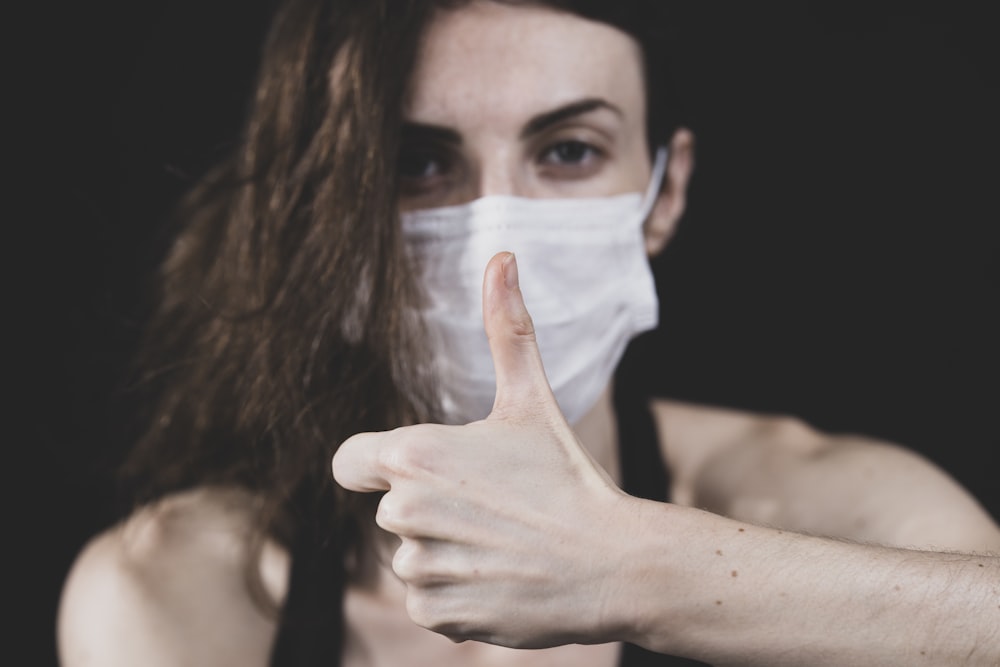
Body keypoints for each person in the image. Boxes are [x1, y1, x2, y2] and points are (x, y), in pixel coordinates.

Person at [56, 1, 1000, 665]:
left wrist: (645, 571)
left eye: (568, 151)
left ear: (662, 192)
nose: (495, 230)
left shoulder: (824, 508)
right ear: (318, 207)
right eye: (417, 160)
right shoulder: (178, 593)